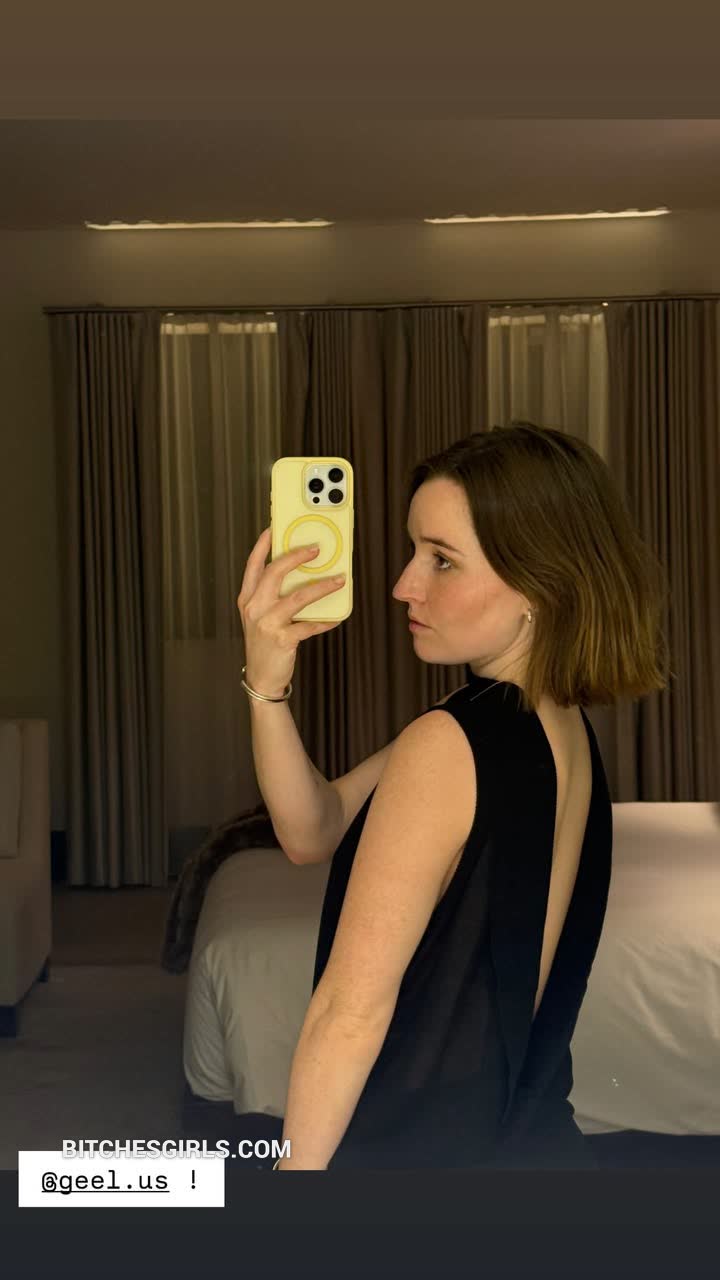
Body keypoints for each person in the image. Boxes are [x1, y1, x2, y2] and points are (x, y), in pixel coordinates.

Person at [237, 422, 670, 1171]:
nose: (404, 585)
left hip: (416, 1158)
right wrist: (267, 686)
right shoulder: (550, 721)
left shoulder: (449, 744)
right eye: (414, 551)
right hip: (522, 1146)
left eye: (441, 559)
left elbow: (348, 1015)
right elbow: (314, 830)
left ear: (539, 584)